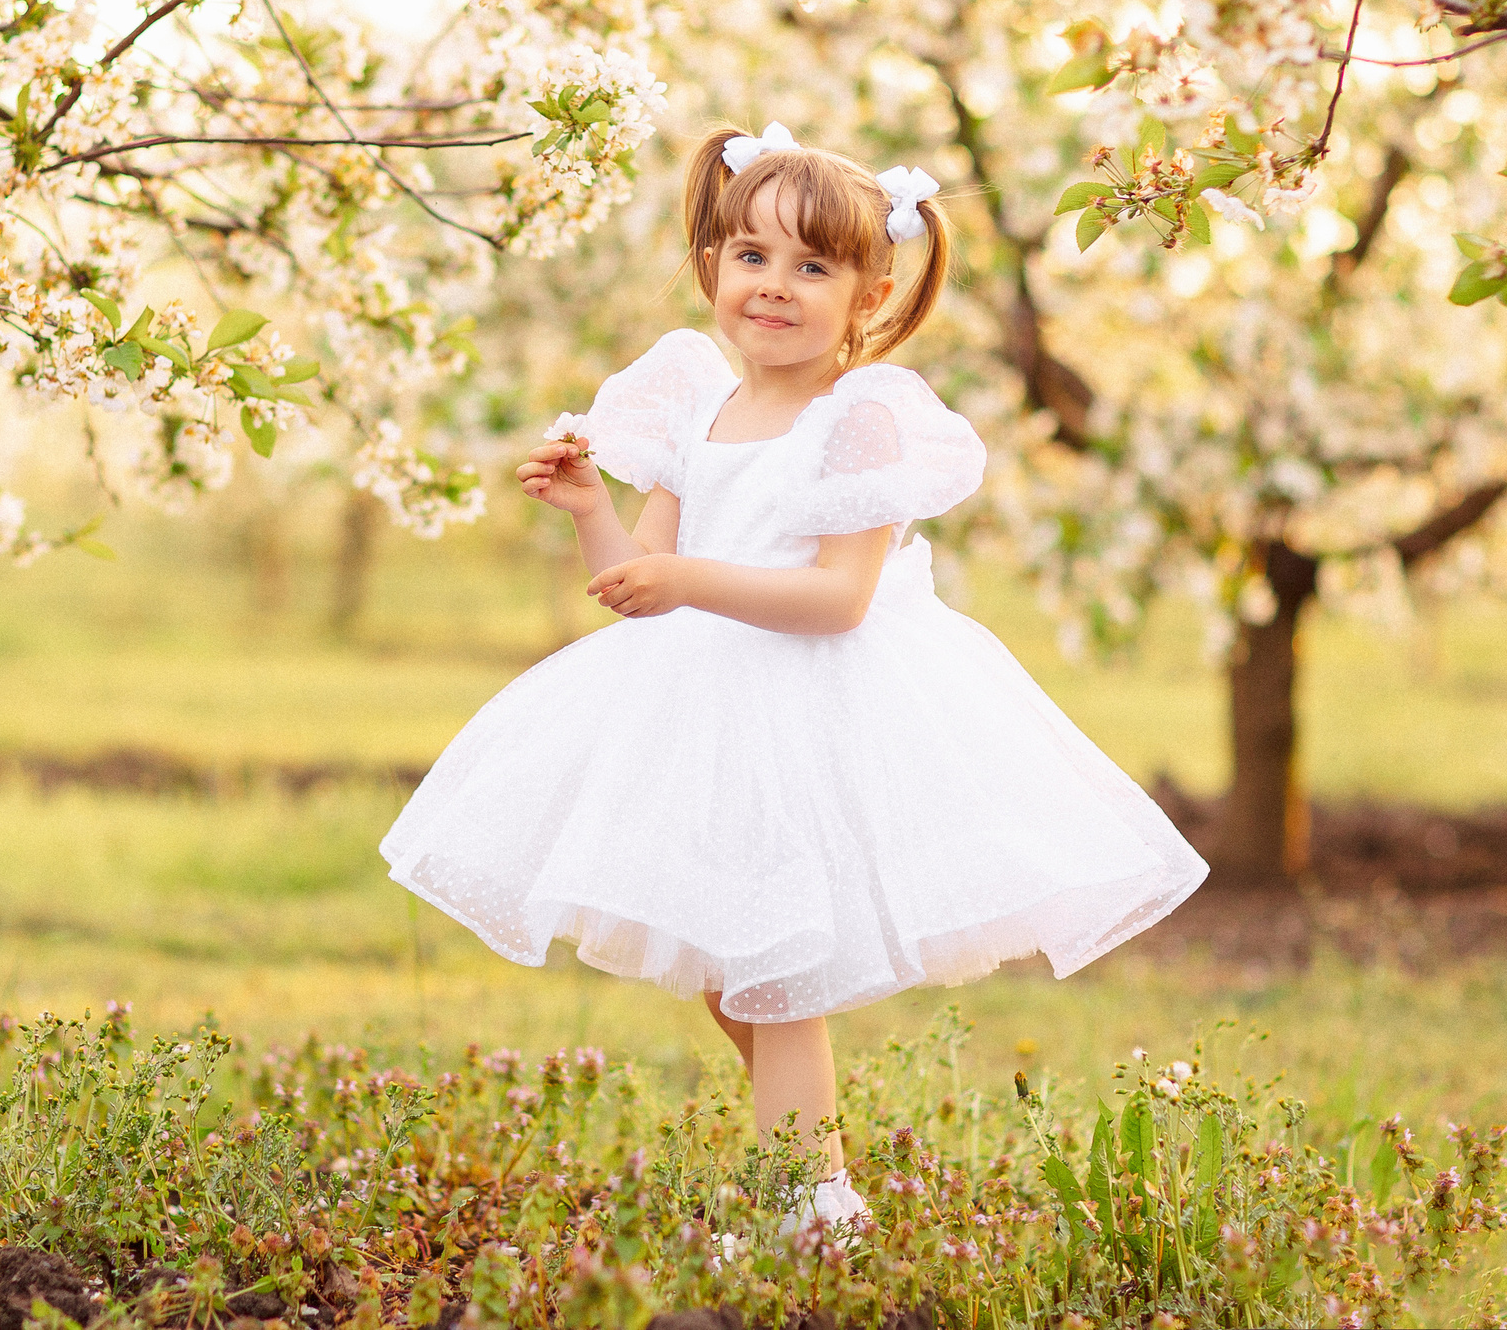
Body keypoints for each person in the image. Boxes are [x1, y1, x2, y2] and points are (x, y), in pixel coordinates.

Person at [379, 123, 1210, 1230]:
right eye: (752, 256)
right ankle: (810, 1175)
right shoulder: (698, 407)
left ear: (867, 294)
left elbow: (837, 599)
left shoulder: (859, 419)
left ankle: (811, 1207)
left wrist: (687, 576)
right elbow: (636, 581)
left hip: (815, 711)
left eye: (812, 267)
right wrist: (592, 512)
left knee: (775, 979)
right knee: (734, 979)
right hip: (704, 710)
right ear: (714, 265)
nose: (773, 287)